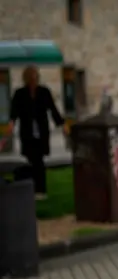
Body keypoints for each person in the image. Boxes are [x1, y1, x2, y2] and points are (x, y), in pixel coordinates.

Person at [9, 66, 68, 199]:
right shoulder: (20, 94)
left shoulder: (44, 92)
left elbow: (53, 109)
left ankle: (41, 189)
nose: (33, 80)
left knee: (39, 161)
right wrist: (11, 123)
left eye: (35, 77)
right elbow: (14, 111)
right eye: (31, 77)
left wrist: (62, 124)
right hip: (27, 132)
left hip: (41, 132)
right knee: (31, 160)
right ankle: (32, 188)